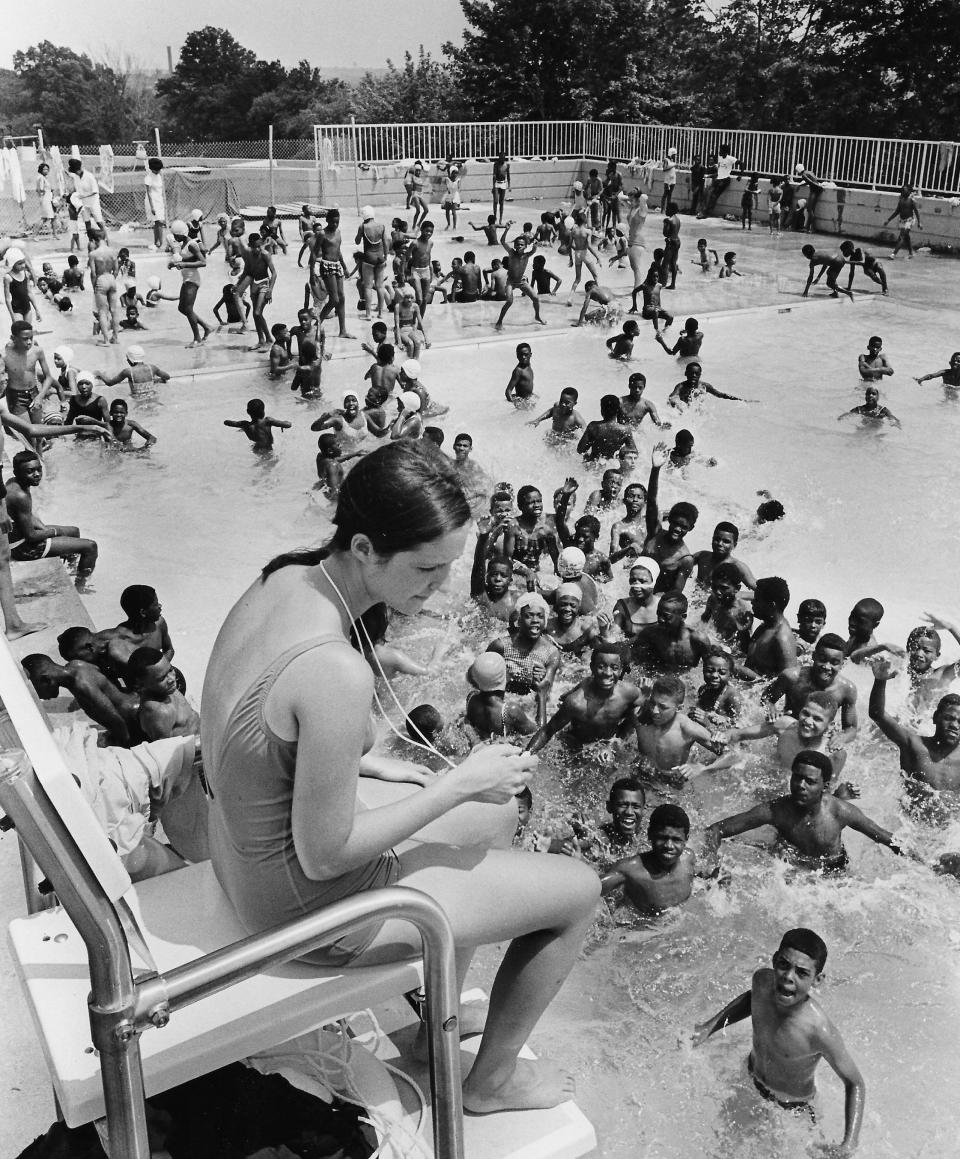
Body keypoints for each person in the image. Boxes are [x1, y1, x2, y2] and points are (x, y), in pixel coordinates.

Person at [201, 440, 599, 1112]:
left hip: (236, 849)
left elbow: (252, 727)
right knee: (579, 892)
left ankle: (427, 1032)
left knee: (498, 814)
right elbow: (325, 856)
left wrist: (351, 760)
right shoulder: (335, 669)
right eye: (426, 568)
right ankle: (491, 1083)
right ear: (364, 548)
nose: (439, 588)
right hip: (296, 909)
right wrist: (455, 783)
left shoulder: (284, 577)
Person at [692, 927, 865, 1156]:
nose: (788, 977)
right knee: (721, 1150)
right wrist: (709, 1027)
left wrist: (849, 1143)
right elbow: (752, 998)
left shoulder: (818, 1030)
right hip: (750, 1081)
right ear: (774, 960)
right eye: (784, 964)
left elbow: (855, 1084)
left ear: (818, 979)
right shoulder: (763, 980)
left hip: (792, 1110)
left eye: (802, 973)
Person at [705, 750, 900, 874]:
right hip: (790, 863)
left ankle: (842, 793)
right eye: (797, 778)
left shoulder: (841, 812)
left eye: (810, 781)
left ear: (825, 786)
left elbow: (889, 839)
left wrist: (925, 864)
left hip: (832, 870)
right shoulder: (776, 810)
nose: (800, 785)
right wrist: (713, 866)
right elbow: (715, 830)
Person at [868, 657, 960, 803]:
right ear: (935, 717)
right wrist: (880, 680)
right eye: (949, 718)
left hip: (952, 826)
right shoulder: (914, 745)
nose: (955, 725)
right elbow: (877, 714)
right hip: (909, 825)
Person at [5, 450, 99, 590]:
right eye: (30, 471)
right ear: (16, 472)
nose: (37, 474)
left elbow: (27, 516)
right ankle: (81, 586)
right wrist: (55, 532)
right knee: (91, 546)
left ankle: (71, 567)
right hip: (22, 548)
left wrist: (45, 529)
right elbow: (31, 536)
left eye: (39, 469)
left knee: (74, 531)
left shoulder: (14, 482)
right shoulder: (20, 496)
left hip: (18, 538)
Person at [526, 645, 643, 754]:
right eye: (601, 667)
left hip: (610, 743)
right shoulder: (576, 702)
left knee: (638, 710)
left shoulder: (629, 692)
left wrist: (615, 743)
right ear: (592, 667)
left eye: (614, 668)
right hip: (578, 747)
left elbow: (646, 711)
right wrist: (526, 755)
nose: (608, 673)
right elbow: (547, 731)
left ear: (621, 670)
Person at [22, 652, 138, 746]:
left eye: (36, 691)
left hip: (130, 717)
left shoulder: (82, 685)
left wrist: (124, 742)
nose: (40, 697)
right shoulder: (76, 665)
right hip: (130, 703)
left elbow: (114, 716)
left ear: (46, 680)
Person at [601, 804, 698, 914]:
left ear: (686, 839)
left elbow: (702, 881)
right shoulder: (629, 870)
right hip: (643, 928)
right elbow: (591, 890)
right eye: (662, 838)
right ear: (650, 834)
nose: (669, 846)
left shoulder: (688, 858)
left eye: (676, 840)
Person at [763, 633, 858, 743]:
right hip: (789, 730)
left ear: (843, 664)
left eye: (834, 663)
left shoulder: (847, 690)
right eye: (822, 659)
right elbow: (766, 698)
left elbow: (850, 728)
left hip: (818, 737)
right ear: (813, 656)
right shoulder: (792, 677)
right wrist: (771, 709)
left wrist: (841, 738)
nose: (827, 667)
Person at [487, 592, 561, 728]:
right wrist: (507, 675)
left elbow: (545, 692)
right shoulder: (500, 646)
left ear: (545, 622)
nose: (535, 620)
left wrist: (542, 680)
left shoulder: (551, 653)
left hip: (531, 707)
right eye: (529, 616)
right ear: (519, 620)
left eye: (540, 616)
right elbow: (482, 679)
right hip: (504, 702)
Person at [127, 647, 200, 742]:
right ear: (142, 684)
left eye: (170, 670)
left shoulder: (166, 689)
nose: (171, 679)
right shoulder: (159, 712)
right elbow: (166, 751)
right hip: (198, 752)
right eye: (162, 678)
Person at [633, 593, 712, 672]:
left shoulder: (698, 640)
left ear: (683, 617)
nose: (660, 619)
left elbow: (710, 668)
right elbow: (635, 661)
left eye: (666, 616)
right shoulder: (650, 634)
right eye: (658, 614)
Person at [168, 219, 213, 347]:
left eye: (175, 235)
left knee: (187, 308)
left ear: (181, 234)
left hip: (193, 280)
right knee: (182, 308)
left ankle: (197, 339)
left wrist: (183, 264)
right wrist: (176, 263)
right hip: (187, 279)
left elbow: (203, 262)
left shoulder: (192, 244)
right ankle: (207, 327)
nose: (174, 238)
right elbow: (190, 258)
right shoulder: (185, 244)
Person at [742, 576, 798, 678]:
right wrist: (743, 630)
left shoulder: (782, 638)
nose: (752, 602)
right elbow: (748, 655)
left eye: (757, 600)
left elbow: (789, 680)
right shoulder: (765, 626)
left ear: (772, 605)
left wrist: (737, 669)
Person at [312, 209, 354, 339]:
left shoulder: (338, 232)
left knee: (342, 298)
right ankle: (315, 325)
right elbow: (314, 253)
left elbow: (338, 250)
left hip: (337, 266)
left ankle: (343, 331)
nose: (335, 225)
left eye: (337, 222)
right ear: (327, 220)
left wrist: (345, 267)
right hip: (326, 266)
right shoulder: (322, 234)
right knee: (334, 299)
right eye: (333, 222)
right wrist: (311, 273)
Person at [495, 229, 545, 330]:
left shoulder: (526, 255)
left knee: (535, 298)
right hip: (511, 281)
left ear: (525, 246)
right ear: (514, 246)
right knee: (509, 301)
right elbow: (502, 241)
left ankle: (537, 316)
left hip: (521, 281)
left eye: (521, 245)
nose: (519, 246)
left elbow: (533, 251)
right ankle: (499, 322)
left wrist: (535, 245)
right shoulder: (511, 253)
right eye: (517, 244)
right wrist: (507, 229)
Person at [235, 234, 277, 352]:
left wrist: (270, 290)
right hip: (254, 284)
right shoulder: (248, 254)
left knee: (258, 312)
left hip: (264, 284)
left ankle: (269, 339)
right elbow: (247, 270)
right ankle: (261, 340)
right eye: (255, 247)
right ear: (250, 246)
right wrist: (238, 284)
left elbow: (274, 273)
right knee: (255, 314)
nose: (258, 249)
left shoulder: (265, 254)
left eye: (259, 246)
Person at [98, 345, 170, 399]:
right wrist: (157, 380)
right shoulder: (152, 368)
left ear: (130, 359)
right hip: (153, 397)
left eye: (127, 358)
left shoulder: (128, 372)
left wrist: (99, 374)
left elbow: (110, 383)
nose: (127, 360)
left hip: (137, 400)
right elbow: (167, 377)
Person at [577, 394, 635, 462]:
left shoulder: (593, 426)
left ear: (602, 411)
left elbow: (580, 450)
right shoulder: (625, 430)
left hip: (595, 466)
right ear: (618, 410)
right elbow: (633, 451)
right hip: (613, 465)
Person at [355, 206, 388, 321]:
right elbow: (385, 243)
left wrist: (360, 233)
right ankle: (380, 313)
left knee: (368, 287)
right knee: (380, 286)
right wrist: (386, 257)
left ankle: (368, 314)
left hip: (369, 258)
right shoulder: (381, 226)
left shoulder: (363, 227)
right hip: (380, 258)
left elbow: (357, 241)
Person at [224, 398, 291, 451]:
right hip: (268, 449)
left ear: (248, 412)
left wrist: (226, 422)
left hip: (256, 449)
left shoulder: (245, 424)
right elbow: (288, 425)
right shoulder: (268, 421)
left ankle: (243, 430)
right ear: (263, 412)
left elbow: (230, 423)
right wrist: (283, 423)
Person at [68, 157, 107, 238]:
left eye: (76, 172)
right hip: (83, 203)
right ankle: (91, 240)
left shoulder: (89, 176)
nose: (76, 174)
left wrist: (83, 195)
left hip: (93, 202)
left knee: (99, 222)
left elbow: (95, 191)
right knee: (87, 223)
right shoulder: (76, 176)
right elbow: (69, 174)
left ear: (79, 169)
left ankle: (106, 240)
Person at [3, 250, 42, 325]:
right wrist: (12, 316)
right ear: (12, 264)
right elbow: (7, 299)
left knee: (28, 332)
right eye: (20, 263)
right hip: (16, 310)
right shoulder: (8, 277)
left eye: (24, 262)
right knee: (20, 332)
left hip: (27, 308)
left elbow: (29, 293)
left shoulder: (26, 274)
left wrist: (37, 310)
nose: (23, 265)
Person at [884, 182, 921, 258]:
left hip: (909, 220)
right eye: (903, 190)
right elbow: (897, 211)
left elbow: (917, 212)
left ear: (909, 191)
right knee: (906, 236)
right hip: (902, 220)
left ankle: (894, 254)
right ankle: (911, 253)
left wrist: (919, 223)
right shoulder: (901, 200)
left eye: (905, 190)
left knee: (902, 237)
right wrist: (888, 220)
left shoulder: (912, 201)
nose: (903, 191)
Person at [143, 158, 166, 250]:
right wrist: (152, 207)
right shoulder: (148, 178)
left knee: (159, 222)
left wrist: (163, 201)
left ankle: (157, 243)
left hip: (159, 201)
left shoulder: (159, 176)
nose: (158, 171)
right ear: (152, 169)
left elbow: (160, 190)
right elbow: (148, 193)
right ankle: (160, 243)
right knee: (158, 222)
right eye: (157, 169)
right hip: (152, 201)